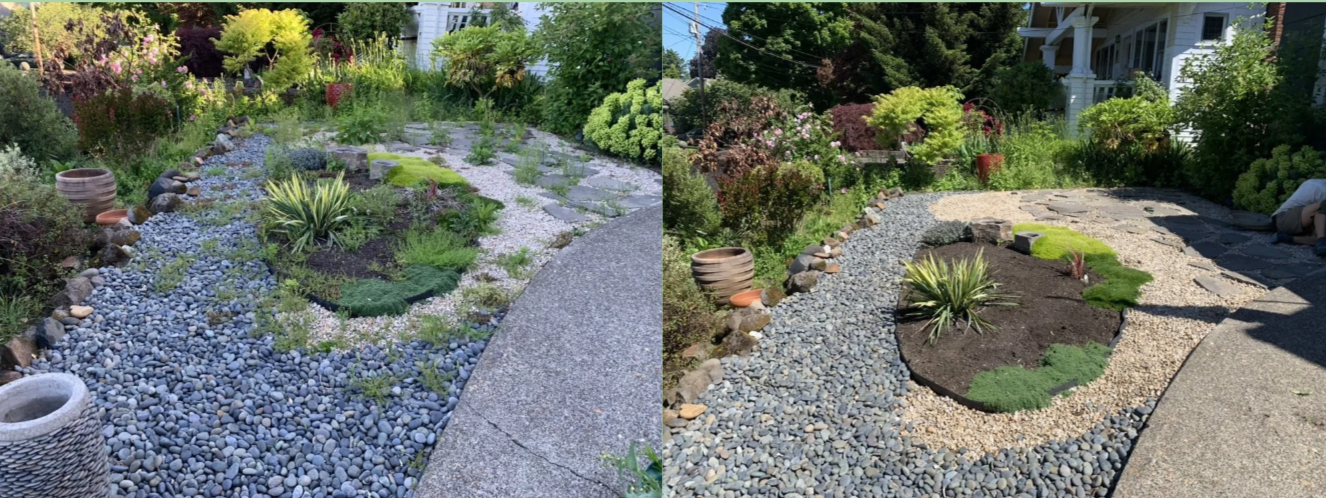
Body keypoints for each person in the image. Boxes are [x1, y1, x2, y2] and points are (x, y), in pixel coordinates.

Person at [1270, 178, 1326, 256]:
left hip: (1304, 221)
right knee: (1324, 204)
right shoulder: (1321, 188)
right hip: (1282, 219)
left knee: (1322, 231)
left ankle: (1287, 238)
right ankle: (1321, 242)